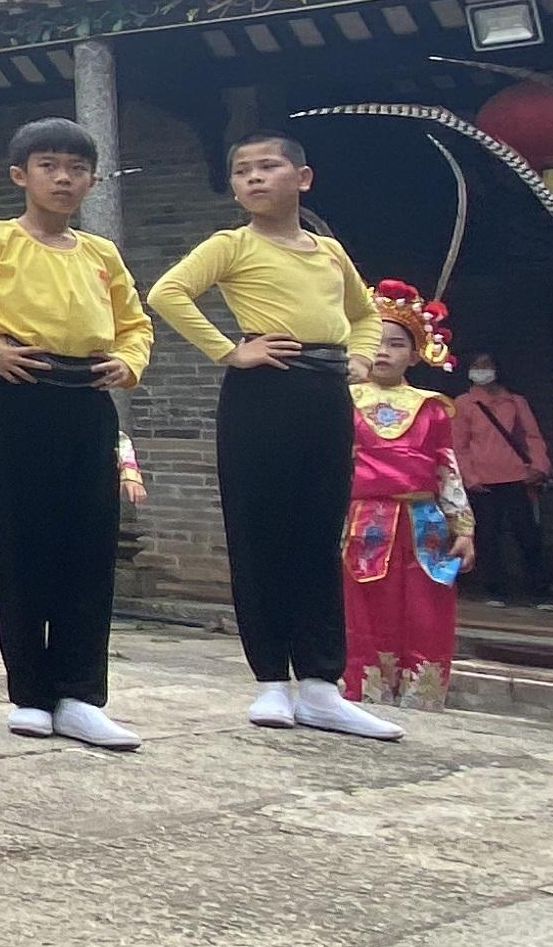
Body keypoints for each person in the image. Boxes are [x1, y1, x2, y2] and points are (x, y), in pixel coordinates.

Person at [145, 138, 400, 739]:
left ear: (303, 177)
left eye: (268, 166)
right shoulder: (231, 245)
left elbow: (365, 314)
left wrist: (362, 358)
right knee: (259, 532)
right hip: (262, 393)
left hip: (326, 395)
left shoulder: (330, 252)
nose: (254, 178)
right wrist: (230, 351)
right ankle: (270, 681)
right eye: (242, 171)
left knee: (318, 535)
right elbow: (166, 293)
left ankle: (321, 684)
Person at [0, 117, 150, 751]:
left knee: (91, 543)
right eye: (49, 166)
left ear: (92, 181)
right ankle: (29, 692)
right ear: (20, 175)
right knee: (23, 539)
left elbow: (135, 323)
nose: (63, 179)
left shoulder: (100, 254)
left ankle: (81, 694)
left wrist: (129, 362)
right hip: (20, 392)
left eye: (77, 169)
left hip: (89, 399)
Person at [342, 286, 470, 708]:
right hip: (361, 521)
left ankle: (421, 700)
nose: (383, 351)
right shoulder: (342, 399)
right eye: (375, 341)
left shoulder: (432, 407)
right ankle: (363, 695)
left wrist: (463, 528)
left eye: (397, 344)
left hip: (423, 523)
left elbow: (446, 469)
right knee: (363, 610)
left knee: (424, 611)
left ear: (416, 355)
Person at [452, 351, 553, 604]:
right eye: (476, 365)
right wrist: (469, 478)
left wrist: (539, 467)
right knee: (487, 537)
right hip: (482, 481)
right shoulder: (463, 403)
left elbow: (532, 436)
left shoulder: (516, 402)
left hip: (519, 477)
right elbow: (459, 445)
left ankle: (539, 591)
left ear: (497, 369)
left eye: (486, 365)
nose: (481, 370)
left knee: (528, 535)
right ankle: (495, 589)